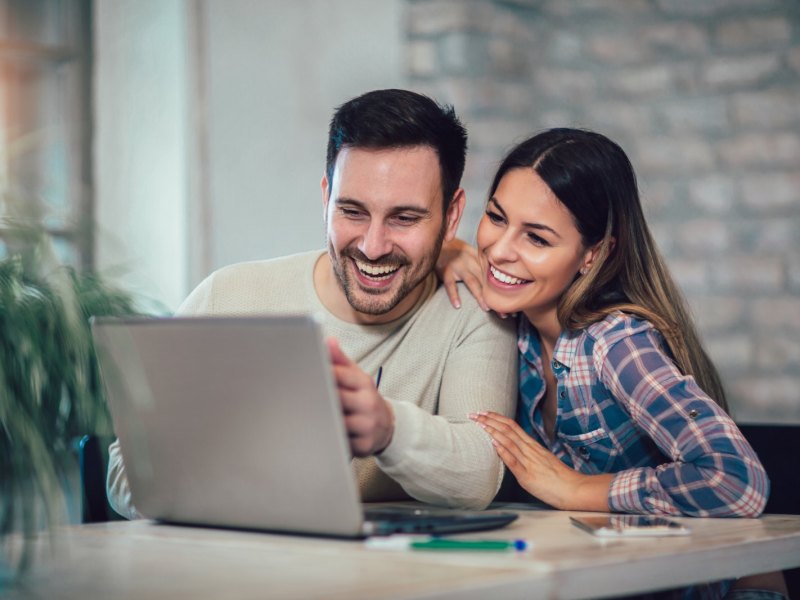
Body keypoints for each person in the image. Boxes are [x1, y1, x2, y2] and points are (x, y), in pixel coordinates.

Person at [106, 89, 518, 520]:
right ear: (326, 198)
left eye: (405, 218)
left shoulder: (474, 310)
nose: (373, 247)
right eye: (353, 212)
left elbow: (479, 474)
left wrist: (387, 429)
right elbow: (125, 473)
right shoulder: (228, 297)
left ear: (451, 216)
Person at [437, 128, 783, 599]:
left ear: (593, 254)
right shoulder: (513, 324)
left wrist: (576, 489)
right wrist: (447, 249)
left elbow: (737, 481)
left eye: (536, 238)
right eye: (496, 217)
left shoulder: (615, 342)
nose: (499, 250)